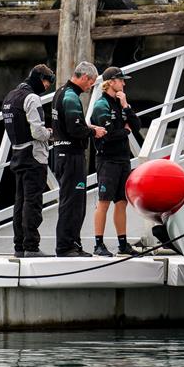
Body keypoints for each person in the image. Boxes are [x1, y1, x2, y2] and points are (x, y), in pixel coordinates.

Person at [52, 61, 106, 257]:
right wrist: (93, 131)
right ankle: (66, 246)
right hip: (71, 156)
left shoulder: (60, 92)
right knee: (73, 202)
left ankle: (70, 244)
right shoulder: (71, 96)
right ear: (84, 77)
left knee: (69, 200)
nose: (90, 87)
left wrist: (88, 129)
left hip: (60, 153)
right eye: (91, 83)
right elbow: (75, 129)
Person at [2, 64, 55, 258]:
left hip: (17, 153)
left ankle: (19, 247)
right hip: (34, 156)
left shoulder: (10, 97)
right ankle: (31, 246)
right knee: (32, 202)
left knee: (19, 202)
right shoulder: (31, 98)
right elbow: (36, 131)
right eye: (47, 81)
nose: (48, 86)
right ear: (39, 78)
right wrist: (50, 133)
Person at [90, 67, 141, 257]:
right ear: (111, 82)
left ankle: (122, 243)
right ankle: (98, 244)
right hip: (107, 159)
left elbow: (136, 126)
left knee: (121, 202)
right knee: (103, 202)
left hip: (123, 159)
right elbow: (109, 134)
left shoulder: (120, 103)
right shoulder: (101, 105)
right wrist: (125, 131)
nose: (124, 83)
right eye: (121, 80)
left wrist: (126, 105)